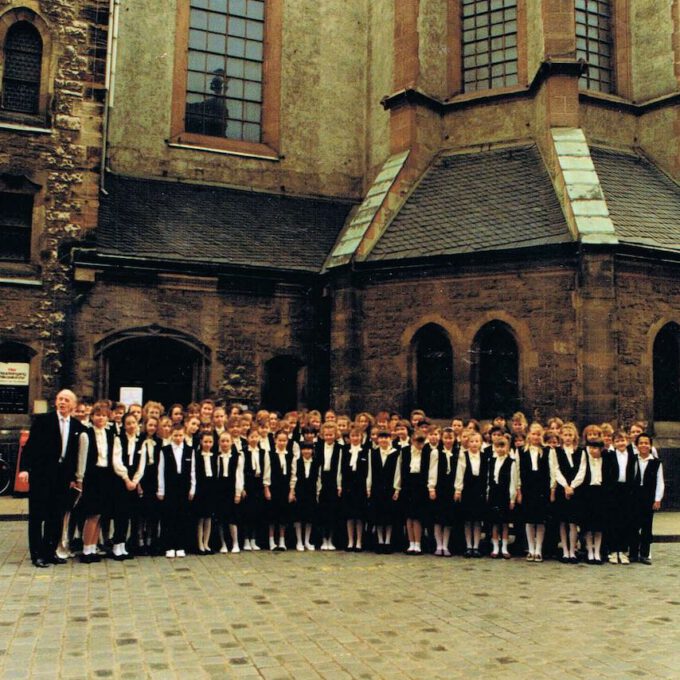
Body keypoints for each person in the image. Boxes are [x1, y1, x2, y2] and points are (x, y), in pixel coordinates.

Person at [19, 389, 87, 567]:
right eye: (60, 399)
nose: (62, 402)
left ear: (73, 405)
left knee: (56, 516)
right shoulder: (43, 421)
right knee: (37, 516)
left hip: (62, 478)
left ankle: (50, 552)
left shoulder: (76, 426)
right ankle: (37, 555)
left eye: (66, 400)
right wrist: (25, 469)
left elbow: (75, 454)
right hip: (41, 475)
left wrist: (74, 476)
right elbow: (30, 446)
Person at [80, 401, 117, 563]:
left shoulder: (110, 433)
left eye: (103, 415)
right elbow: (82, 457)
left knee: (100, 514)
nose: (100, 418)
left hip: (105, 476)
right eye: (97, 415)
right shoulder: (86, 433)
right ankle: (86, 549)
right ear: (92, 416)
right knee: (92, 514)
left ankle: (93, 547)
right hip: (92, 476)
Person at [157, 424, 196, 558]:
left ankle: (180, 545)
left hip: (184, 487)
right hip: (170, 487)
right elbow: (160, 471)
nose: (178, 438)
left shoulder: (190, 450)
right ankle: (169, 546)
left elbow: (193, 471)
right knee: (169, 516)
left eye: (180, 435)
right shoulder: (165, 450)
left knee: (182, 516)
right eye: (176, 435)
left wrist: (192, 488)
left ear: (184, 435)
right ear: (171, 435)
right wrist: (160, 490)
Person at [111, 412, 146, 560]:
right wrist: (126, 478)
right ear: (124, 425)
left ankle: (123, 546)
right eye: (128, 423)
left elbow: (141, 464)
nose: (132, 426)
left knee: (130, 513)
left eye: (134, 423)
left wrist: (135, 480)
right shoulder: (119, 439)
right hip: (121, 480)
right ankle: (116, 545)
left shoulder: (141, 441)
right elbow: (116, 460)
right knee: (120, 514)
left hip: (133, 480)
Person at [516, 423, 551, 562]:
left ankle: (538, 549)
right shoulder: (520, 451)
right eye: (533, 434)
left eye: (538, 434)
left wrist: (551, 489)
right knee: (529, 520)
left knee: (540, 520)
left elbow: (552, 472)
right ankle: (530, 549)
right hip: (527, 488)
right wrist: (518, 490)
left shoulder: (548, 451)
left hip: (541, 488)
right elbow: (517, 472)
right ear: (529, 434)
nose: (536, 437)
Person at [629, 434, 664, 565]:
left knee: (646, 526)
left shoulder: (656, 462)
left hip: (648, 497)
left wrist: (657, 499)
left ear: (650, 446)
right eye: (641, 443)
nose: (644, 445)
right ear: (637, 445)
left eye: (646, 443)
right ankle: (633, 553)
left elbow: (660, 482)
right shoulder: (632, 459)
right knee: (632, 525)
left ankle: (644, 554)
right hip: (634, 496)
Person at [603, 430, 636, 564]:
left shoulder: (632, 455)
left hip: (627, 491)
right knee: (613, 520)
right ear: (613, 443)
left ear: (627, 441)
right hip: (614, 490)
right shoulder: (610, 455)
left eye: (622, 440)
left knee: (625, 520)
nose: (620, 443)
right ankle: (613, 551)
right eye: (617, 441)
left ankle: (622, 550)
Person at [454, 431, 488, 557]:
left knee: (478, 520)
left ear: (481, 443)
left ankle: (476, 546)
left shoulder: (484, 456)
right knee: (468, 520)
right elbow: (460, 472)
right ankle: (469, 546)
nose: (474, 444)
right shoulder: (463, 455)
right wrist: (458, 489)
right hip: (467, 489)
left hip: (479, 490)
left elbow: (487, 475)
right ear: (468, 443)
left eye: (477, 441)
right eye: (472, 441)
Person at [552, 423, 582, 563]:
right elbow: (555, 470)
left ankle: (572, 551)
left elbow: (582, 470)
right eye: (565, 435)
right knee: (563, 522)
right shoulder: (556, 451)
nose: (568, 438)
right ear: (561, 436)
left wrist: (572, 486)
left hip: (576, 489)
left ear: (574, 436)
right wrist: (565, 486)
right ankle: (565, 550)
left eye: (570, 435)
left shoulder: (580, 452)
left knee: (573, 522)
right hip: (562, 490)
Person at [367, 431, 401, 553]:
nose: (383, 440)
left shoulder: (396, 453)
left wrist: (397, 488)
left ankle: (388, 541)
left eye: (386, 438)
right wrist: (368, 488)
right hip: (377, 488)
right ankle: (380, 541)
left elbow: (398, 472)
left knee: (389, 516)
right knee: (378, 517)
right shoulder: (373, 453)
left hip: (389, 489)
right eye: (381, 438)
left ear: (390, 439)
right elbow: (370, 472)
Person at [486, 434, 517, 559]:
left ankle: (504, 547)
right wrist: (488, 493)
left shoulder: (511, 462)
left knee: (504, 523)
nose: (500, 449)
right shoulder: (491, 461)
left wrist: (512, 498)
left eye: (503, 447)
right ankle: (495, 547)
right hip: (494, 493)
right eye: (498, 447)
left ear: (508, 448)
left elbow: (513, 481)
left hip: (505, 494)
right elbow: (489, 479)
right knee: (494, 523)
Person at [264, 430, 295, 551]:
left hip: (285, 488)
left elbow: (293, 474)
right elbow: (267, 472)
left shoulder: (290, 455)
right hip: (273, 487)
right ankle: (271, 540)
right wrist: (266, 488)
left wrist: (292, 490)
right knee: (272, 515)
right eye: (280, 440)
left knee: (284, 515)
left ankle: (282, 541)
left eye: (284, 440)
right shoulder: (270, 454)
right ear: (275, 440)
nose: (282, 443)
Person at [215, 431, 244, 554]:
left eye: (227, 441)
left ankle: (235, 543)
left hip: (232, 488)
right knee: (221, 518)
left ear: (232, 442)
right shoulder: (217, 456)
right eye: (222, 441)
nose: (225, 443)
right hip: (220, 489)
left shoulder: (238, 456)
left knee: (232, 517)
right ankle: (223, 544)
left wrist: (238, 492)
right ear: (219, 443)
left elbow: (239, 475)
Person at [341, 426, 369, 552]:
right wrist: (339, 485)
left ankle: (359, 541)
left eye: (357, 436)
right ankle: (350, 541)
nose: (355, 438)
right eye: (353, 436)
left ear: (361, 438)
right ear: (349, 438)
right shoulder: (345, 450)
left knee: (359, 515)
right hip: (348, 486)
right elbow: (340, 470)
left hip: (361, 486)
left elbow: (368, 471)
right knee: (349, 515)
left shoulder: (366, 451)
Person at [315, 423, 343, 550]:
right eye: (326, 435)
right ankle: (322, 539)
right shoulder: (318, 447)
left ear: (335, 435)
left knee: (332, 512)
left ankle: (330, 540)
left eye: (331, 434)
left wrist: (339, 485)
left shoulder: (340, 448)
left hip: (333, 480)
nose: (329, 437)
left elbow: (340, 468)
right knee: (322, 512)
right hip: (322, 479)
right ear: (322, 435)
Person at [291, 442, 320, 551]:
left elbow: (318, 478)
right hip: (300, 491)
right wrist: (292, 491)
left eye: (309, 449)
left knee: (309, 518)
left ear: (312, 450)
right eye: (304, 449)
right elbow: (293, 477)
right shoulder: (296, 461)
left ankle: (307, 541)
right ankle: (299, 541)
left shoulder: (316, 462)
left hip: (311, 491)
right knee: (298, 517)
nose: (307, 451)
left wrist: (318, 493)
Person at [194, 431, 216, 554]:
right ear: (201, 442)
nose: (208, 444)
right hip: (200, 489)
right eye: (205, 441)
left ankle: (206, 543)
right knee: (200, 518)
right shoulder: (197, 455)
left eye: (210, 442)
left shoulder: (214, 456)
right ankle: (200, 544)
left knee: (209, 518)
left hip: (211, 489)